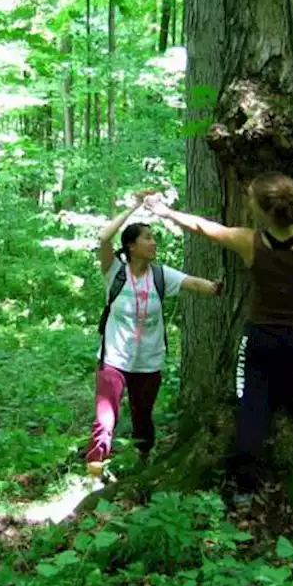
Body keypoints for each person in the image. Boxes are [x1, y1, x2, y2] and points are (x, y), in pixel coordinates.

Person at [149, 174, 293, 509]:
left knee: (252, 411)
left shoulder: (249, 242)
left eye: (250, 199)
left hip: (260, 340)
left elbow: (201, 226)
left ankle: (244, 491)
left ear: (262, 211)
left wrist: (165, 212)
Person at [88, 192, 224, 479]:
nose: (154, 243)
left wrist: (215, 287)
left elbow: (194, 284)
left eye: (153, 237)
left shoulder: (161, 275)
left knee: (143, 416)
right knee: (105, 419)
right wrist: (133, 206)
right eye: (147, 238)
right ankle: (94, 474)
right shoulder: (115, 272)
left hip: (149, 361)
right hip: (113, 358)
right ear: (131, 245)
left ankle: (143, 462)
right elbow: (103, 238)